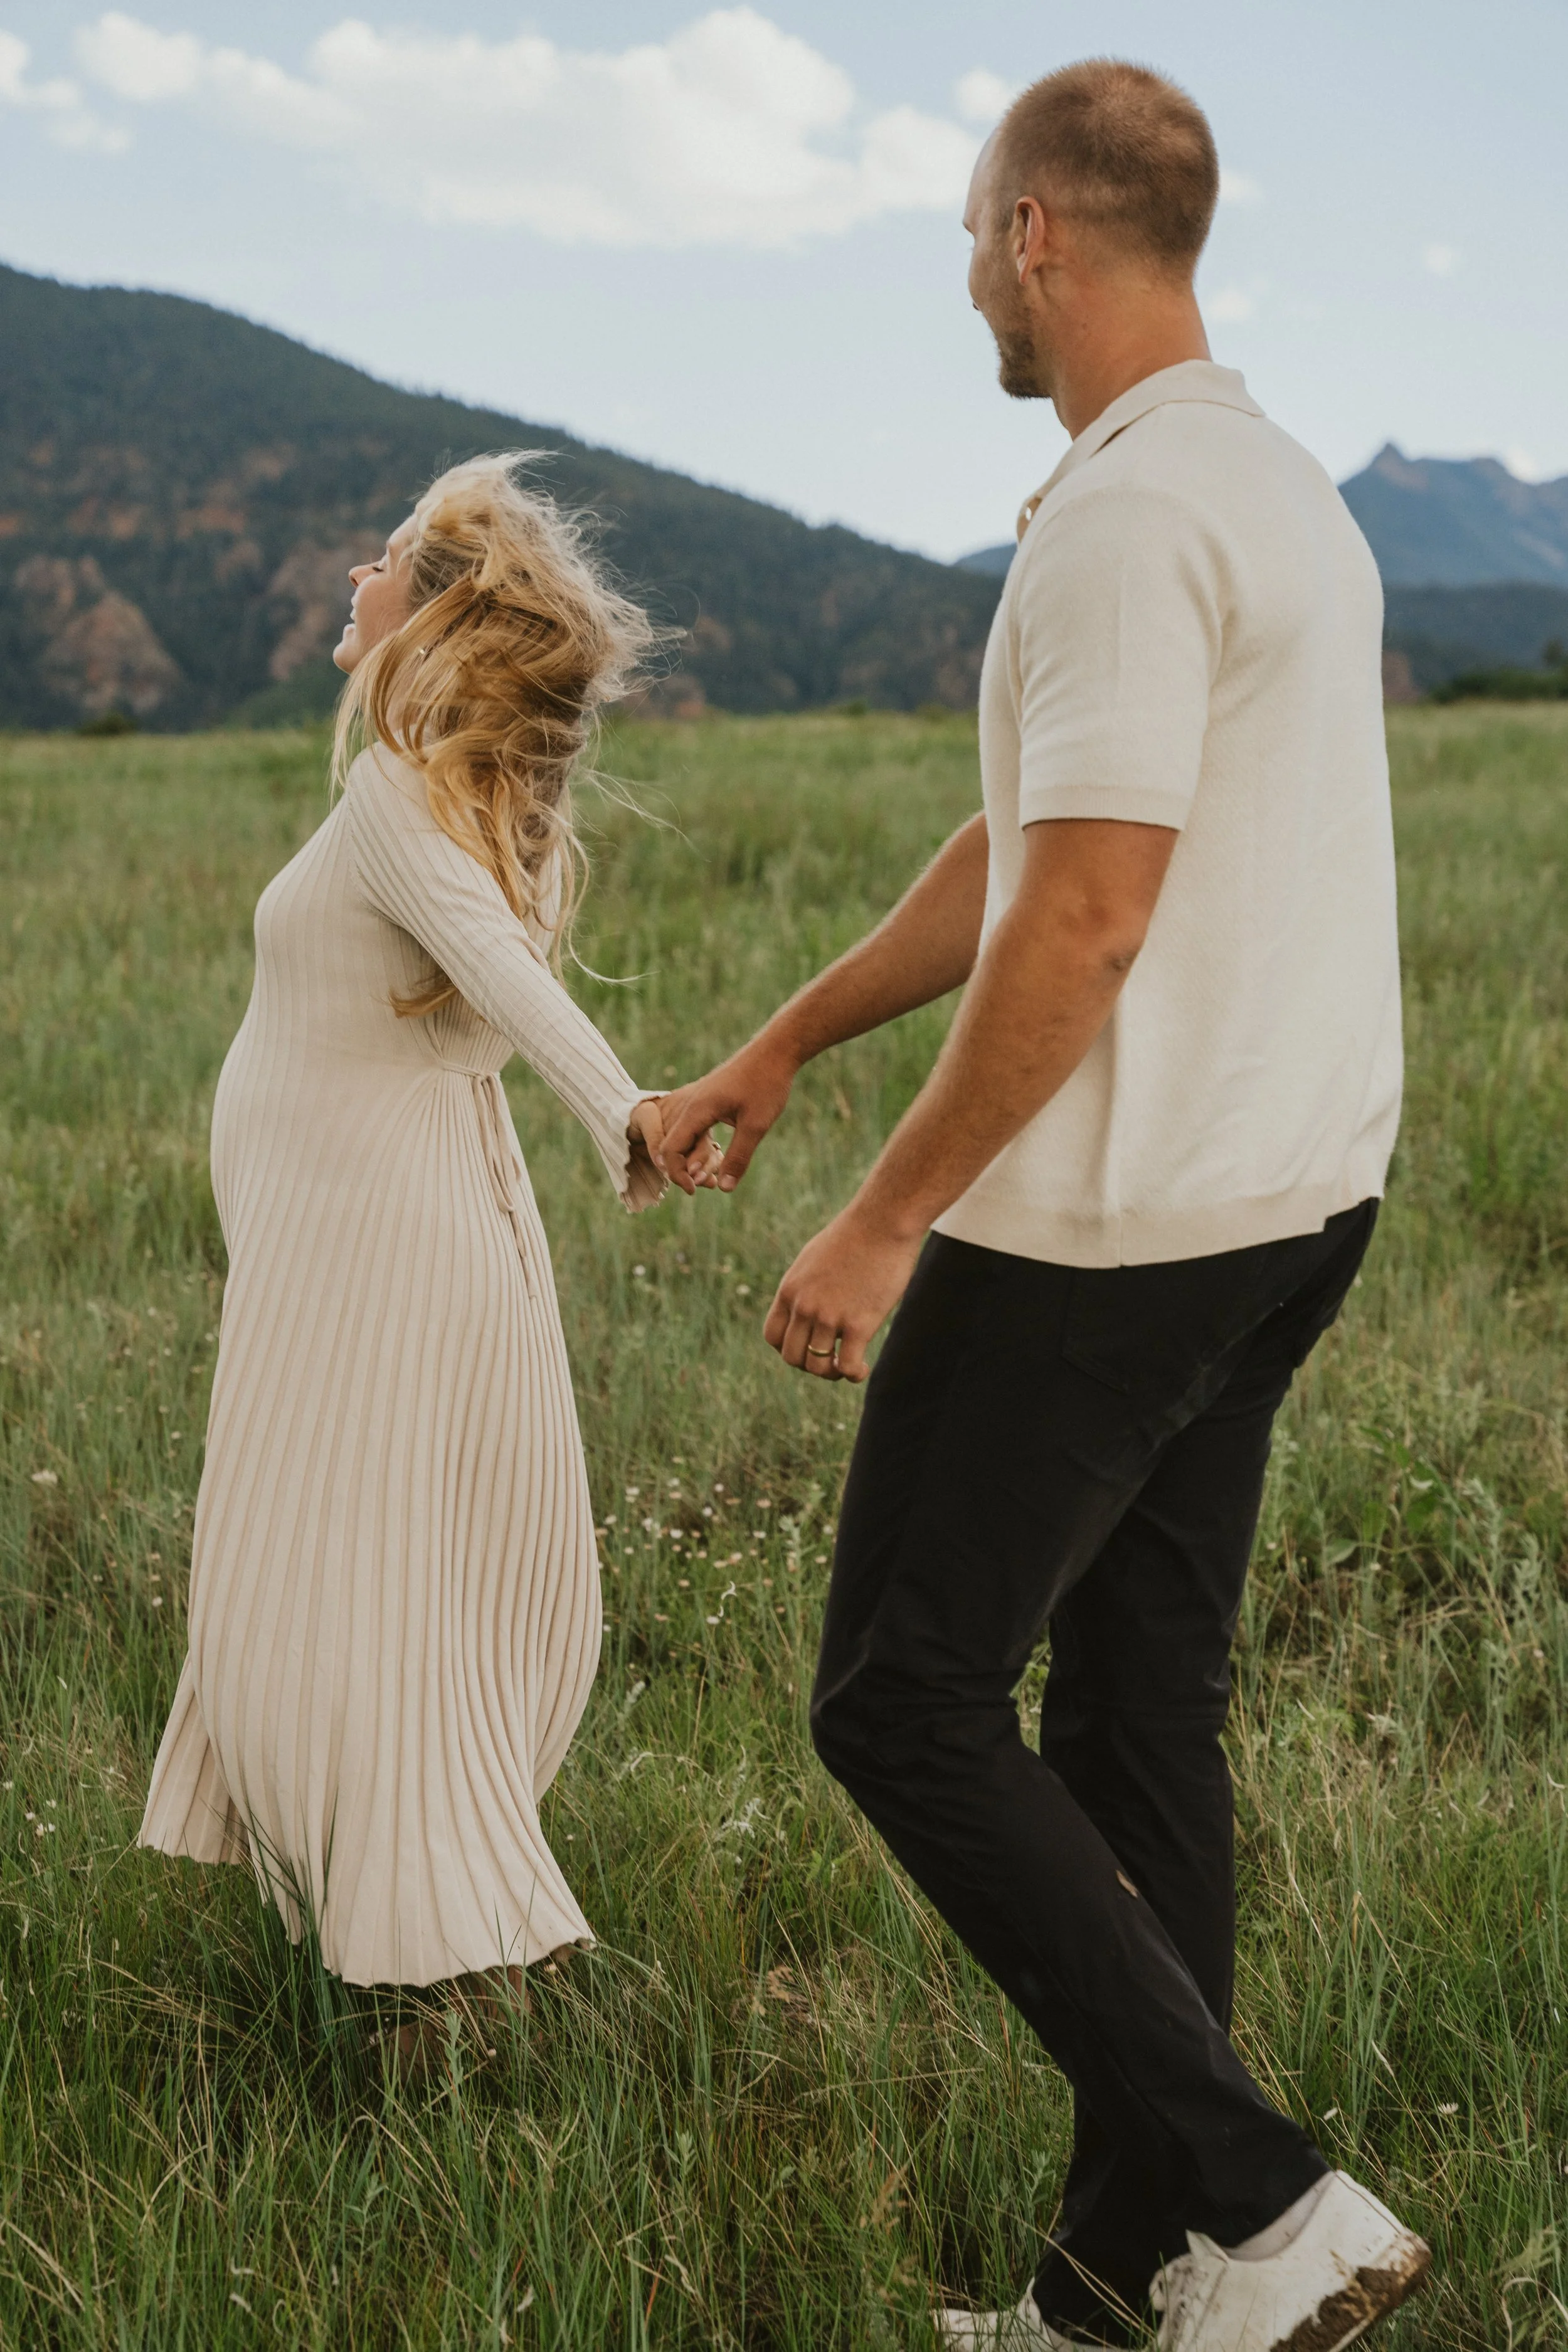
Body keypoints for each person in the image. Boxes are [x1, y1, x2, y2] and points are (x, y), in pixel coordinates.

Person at [658, 60, 1429, 2352]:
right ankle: (1130, 2290)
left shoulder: (1118, 520)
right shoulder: (1270, 490)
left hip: (1119, 1231)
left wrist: (887, 1217)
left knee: (900, 1697)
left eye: (967, 232)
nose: (967, 273)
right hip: (1291, 1204)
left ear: (1034, 239)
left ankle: (1272, 2199)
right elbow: (1021, 847)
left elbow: (1083, 921)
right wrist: (787, 1044)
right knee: (1131, 1715)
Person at [140, 455, 698, 2054]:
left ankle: (434, 1974)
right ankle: (430, 1948)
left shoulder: (399, 793)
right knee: (378, 1590)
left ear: (441, 612)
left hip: (375, 1253)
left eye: (383, 563)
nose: (352, 584)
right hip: (371, 1234)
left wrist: (627, 1110)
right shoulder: (433, 792)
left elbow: (501, 983)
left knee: (344, 1592)